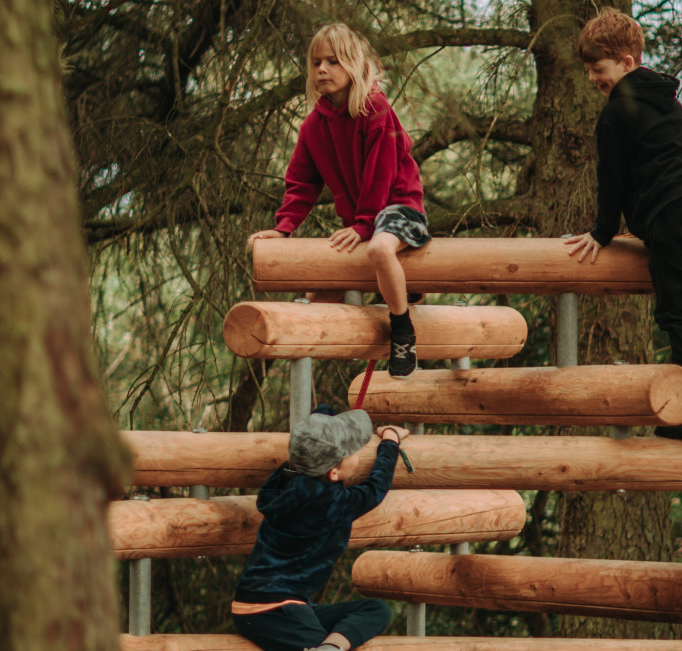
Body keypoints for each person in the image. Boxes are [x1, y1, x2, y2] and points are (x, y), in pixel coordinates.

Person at [564, 8, 682, 442]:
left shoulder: (617, 113)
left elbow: (611, 178)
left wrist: (601, 232)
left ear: (627, 63)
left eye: (598, 69)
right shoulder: (669, 102)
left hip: (671, 212)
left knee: (678, 311)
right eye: (588, 70)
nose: (593, 78)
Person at [246, 23, 429, 379]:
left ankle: (403, 330)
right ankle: (300, 359)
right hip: (364, 221)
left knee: (378, 250)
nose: (322, 70)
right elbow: (301, 184)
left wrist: (363, 225)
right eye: (316, 63)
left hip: (399, 208)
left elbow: (382, 172)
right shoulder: (313, 127)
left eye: (332, 61)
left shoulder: (374, 108)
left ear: (353, 64)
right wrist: (283, 229)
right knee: (315, 298)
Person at [231, 404, 411, 651]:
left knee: (376, 609)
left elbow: (309, 442)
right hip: (273, 610)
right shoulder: (332, 503)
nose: (357, 454)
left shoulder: (284, 481)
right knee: (374, 613)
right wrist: (390, 442)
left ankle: (330, 648)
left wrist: (325, 415)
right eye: (353, 452)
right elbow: (375, 488)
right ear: (334, 472)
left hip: (267, 603)